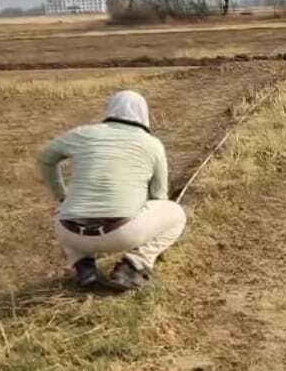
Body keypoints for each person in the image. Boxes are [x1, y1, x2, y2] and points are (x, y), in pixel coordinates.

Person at [39, 90, 187, 290]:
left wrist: (61, 195)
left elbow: (45, 158)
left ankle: (84, 267)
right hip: (121, 234)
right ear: (144, 114)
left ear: (110, 110)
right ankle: (133, 266)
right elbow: (159, 197)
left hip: (70, 234)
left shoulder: (82, 133)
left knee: (64, 211)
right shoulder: (152, 145)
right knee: (176, 213)